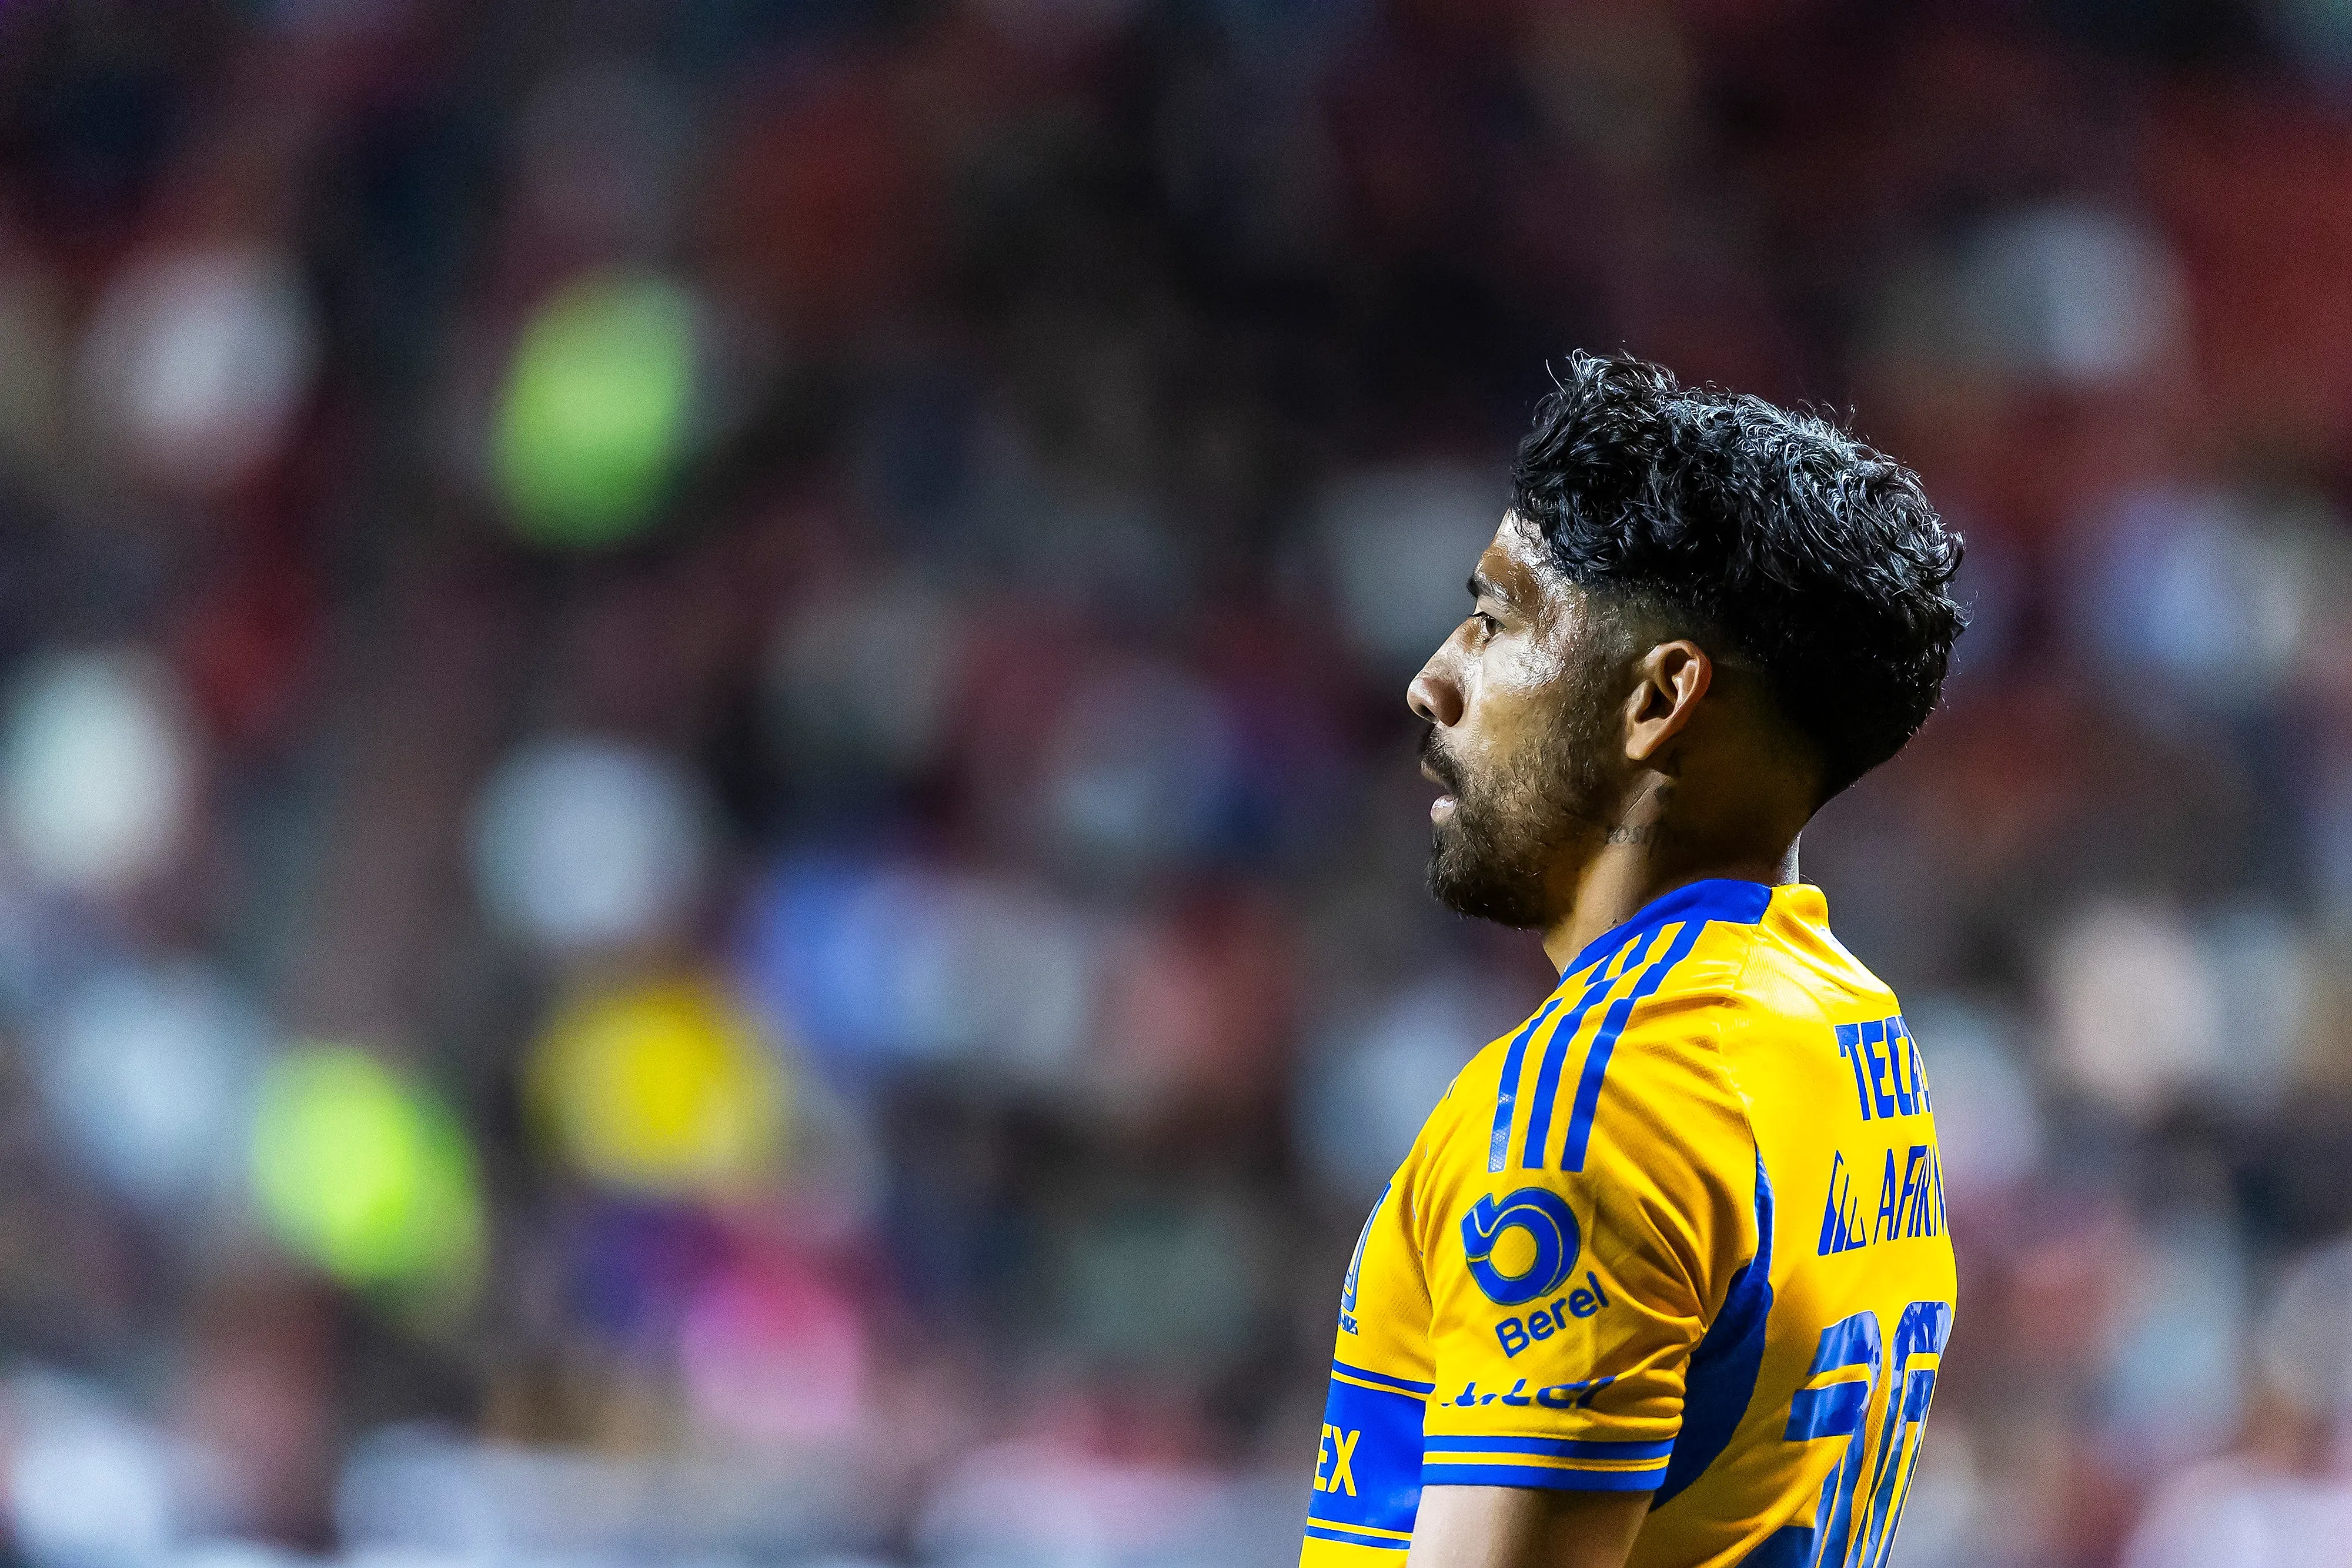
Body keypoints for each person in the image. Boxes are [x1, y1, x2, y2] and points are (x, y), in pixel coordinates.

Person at [1301, 353, 1966, 1567]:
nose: (1432, 678)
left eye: (1498, 618)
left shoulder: (1597, 1103)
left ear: (1656, 697)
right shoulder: (1848, 1031)